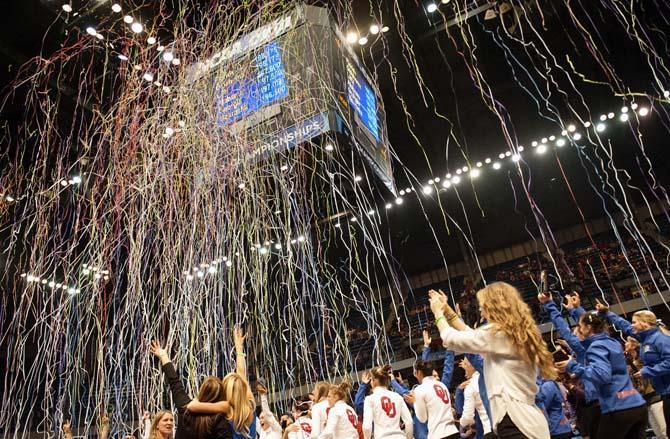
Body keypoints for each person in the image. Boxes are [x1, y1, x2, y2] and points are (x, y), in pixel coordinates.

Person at [429, 283, 553, 439]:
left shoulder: (498, 333)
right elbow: (471, 335)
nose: (480, 309)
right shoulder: (512, 333)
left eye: (482, 305)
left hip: (516, 421)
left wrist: (438, 314)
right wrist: (448, 310)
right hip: (529, 420)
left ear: (493, 306)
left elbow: (451, 339)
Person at [557, 310, 648, 439]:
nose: (578, 330)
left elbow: (602, 375)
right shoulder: (613, 342)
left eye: (580, 326)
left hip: (618, 408)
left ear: (588, 328)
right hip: (637, 406)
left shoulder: (596, 347)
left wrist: (572, 366)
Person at [599, 304, 670, 432]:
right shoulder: (646, 339)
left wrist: (647, 371)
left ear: (644, 323)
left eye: (634, 322)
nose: (632, 325)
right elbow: (625, 326)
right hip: (664, 392)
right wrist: (607, 313)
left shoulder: (660, 339)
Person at [540, 291, 599, 438]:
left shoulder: (582, 350)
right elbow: (590, 326)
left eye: (577, 331)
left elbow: (564, 329)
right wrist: (576, 310)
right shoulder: (606, 342)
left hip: (595, 404)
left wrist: (549, 304)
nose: (575, 332)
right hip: (611, 401)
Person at [185, 327, 257, 439]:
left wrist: (196, 399)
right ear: (242, 389)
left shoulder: (227, 407)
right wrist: (239, 348)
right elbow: (242, 373)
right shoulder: (250, 403)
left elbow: (192, 406)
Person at [149, 341, 232, 439]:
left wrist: (163, 356)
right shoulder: (219, 419)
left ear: (201, 392)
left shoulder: (185, 406)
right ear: (221, 395)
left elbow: (174, 382)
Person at [625, 337, 667, 439]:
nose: (625, 343)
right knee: (659, 433)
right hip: (646, 400)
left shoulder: (644, 359)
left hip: (655, 397)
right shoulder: (630, 361)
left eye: (628, 341)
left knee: (664, 431)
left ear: (634, 345)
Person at [405, 360, 458, 439]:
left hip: (438, 434)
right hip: (453, 431)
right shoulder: (442, 385)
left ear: (419, 372)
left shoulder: (419, 389)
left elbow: (422, 418)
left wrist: (414, 402)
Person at [362, 364, 413, 439]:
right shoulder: (397, 396)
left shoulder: (370, 399)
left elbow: (367, 427)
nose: (370, 382)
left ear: (374, 380)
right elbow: (409, 422)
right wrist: (409, 437)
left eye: (371, 380)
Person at [458, 358, 492, 439]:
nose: (464, 367)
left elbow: (468, 417)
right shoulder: (491, 375)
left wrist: (462, 423)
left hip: (489, 429)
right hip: (508, 424)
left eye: (465, 364)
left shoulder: (470, 386)